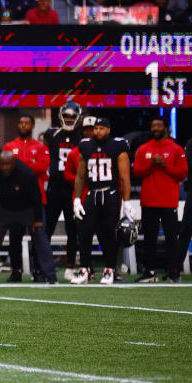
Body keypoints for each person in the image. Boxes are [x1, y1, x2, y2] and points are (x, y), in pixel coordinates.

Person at [0, 152, 58, 284]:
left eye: (7, 164)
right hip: (5, 210)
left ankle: (51, 277)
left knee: (40, 238)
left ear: (14, 163)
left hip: (28, 209)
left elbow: (36, 197)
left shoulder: (26, 173)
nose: (4, 168)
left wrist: (37, 220)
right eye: (2, 165)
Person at [70, 114, 133, 284]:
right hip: (92, 193)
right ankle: (84, 269)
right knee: (83, 231)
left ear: (108, 130)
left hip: (110, 194)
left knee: (108, 234)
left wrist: (126, 202)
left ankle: (109, 270)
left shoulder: (117, 146)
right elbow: (80, 176)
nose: (97, 131)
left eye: (101, 128)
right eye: (96, 128)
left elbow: (125, 177)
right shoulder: (86, 146)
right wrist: (77, 199)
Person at [131, 117, 187, 282]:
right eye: (153, 125)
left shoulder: (176, 149)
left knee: (171, 238)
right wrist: (151, 166)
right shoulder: (143, 149)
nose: (155, 128)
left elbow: (182, 173)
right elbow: (137, 173)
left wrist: (164, 165)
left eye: (158, 125)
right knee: (149, 238)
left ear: (166, 128)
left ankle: (173, 272)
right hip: (149, 200)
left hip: (169, 201)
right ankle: (150, 272)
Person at [2, 113, 50, 281]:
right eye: (20, 122)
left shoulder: (41, 147)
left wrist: (19, 165)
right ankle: (16, 271)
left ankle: (39, 271)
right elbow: (5, 167)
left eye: (26, 123)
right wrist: (29, 164)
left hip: (35, 200)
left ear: (32, 126)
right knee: (15, 238)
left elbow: (43, 166)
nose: (23, 126)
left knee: (38, 237)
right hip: (14, 200)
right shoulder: (8, 146)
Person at [42, 101, 83, 278]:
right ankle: (43, 267)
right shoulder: (52, 134)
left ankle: (70, 267)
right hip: (54, 187)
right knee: (47, 228)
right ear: (60, 116)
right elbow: (44, 156)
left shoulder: (82, 136)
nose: (69, 119)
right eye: (66, 116)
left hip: (73, 188)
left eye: (72, 116)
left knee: (72, 229)